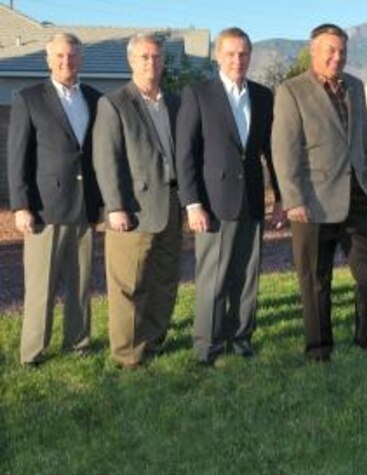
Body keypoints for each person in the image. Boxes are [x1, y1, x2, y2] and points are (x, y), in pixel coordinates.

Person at [272, 23, 367, 362]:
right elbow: (284, 149)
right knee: (314, 278)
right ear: (313, 51)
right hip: (313, 202)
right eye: (330, 50)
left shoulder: (355, 86)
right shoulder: (291, 91)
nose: (338, 57)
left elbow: (365, 141)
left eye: (342, 51)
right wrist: (293, 200)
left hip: (359, 196)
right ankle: (319, 347)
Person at [176, 27, 280, 365]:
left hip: (252, 200)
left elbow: (271, 151)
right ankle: (207, 346)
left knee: (247, 277)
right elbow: (185, 153)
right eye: (231, 53)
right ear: (218, 56)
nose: (238, 60)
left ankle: (241, 339)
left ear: (250, 56)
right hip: (214, 203)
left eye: (244, 53)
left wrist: (279, 197)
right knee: (214, 279)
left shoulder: (263, 95)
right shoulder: (199, 94)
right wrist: (192, 204)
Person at [7, 33, 102, 366]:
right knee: (41, 286)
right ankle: (33, 352)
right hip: (44, 208)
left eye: (73, 56)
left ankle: (78, 343)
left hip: (85, 206)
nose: (66, 62)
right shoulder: (29, 99)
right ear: (48, 60)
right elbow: (17, 157)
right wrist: (21, 206)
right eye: (60, 56)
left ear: (81, 59)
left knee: (81, 282)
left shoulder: (95, 98)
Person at [92, 33, 181, 369]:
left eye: (157, 57)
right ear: (131, 61)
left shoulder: (175, 102)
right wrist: (115, 206)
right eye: (144, 57)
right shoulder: (114, 103)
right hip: (133, 209)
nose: (151, 63)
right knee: (129, 284)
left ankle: (153, 340)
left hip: (171, 203)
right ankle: (128, 353)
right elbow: (106, 159)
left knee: (164, 279)